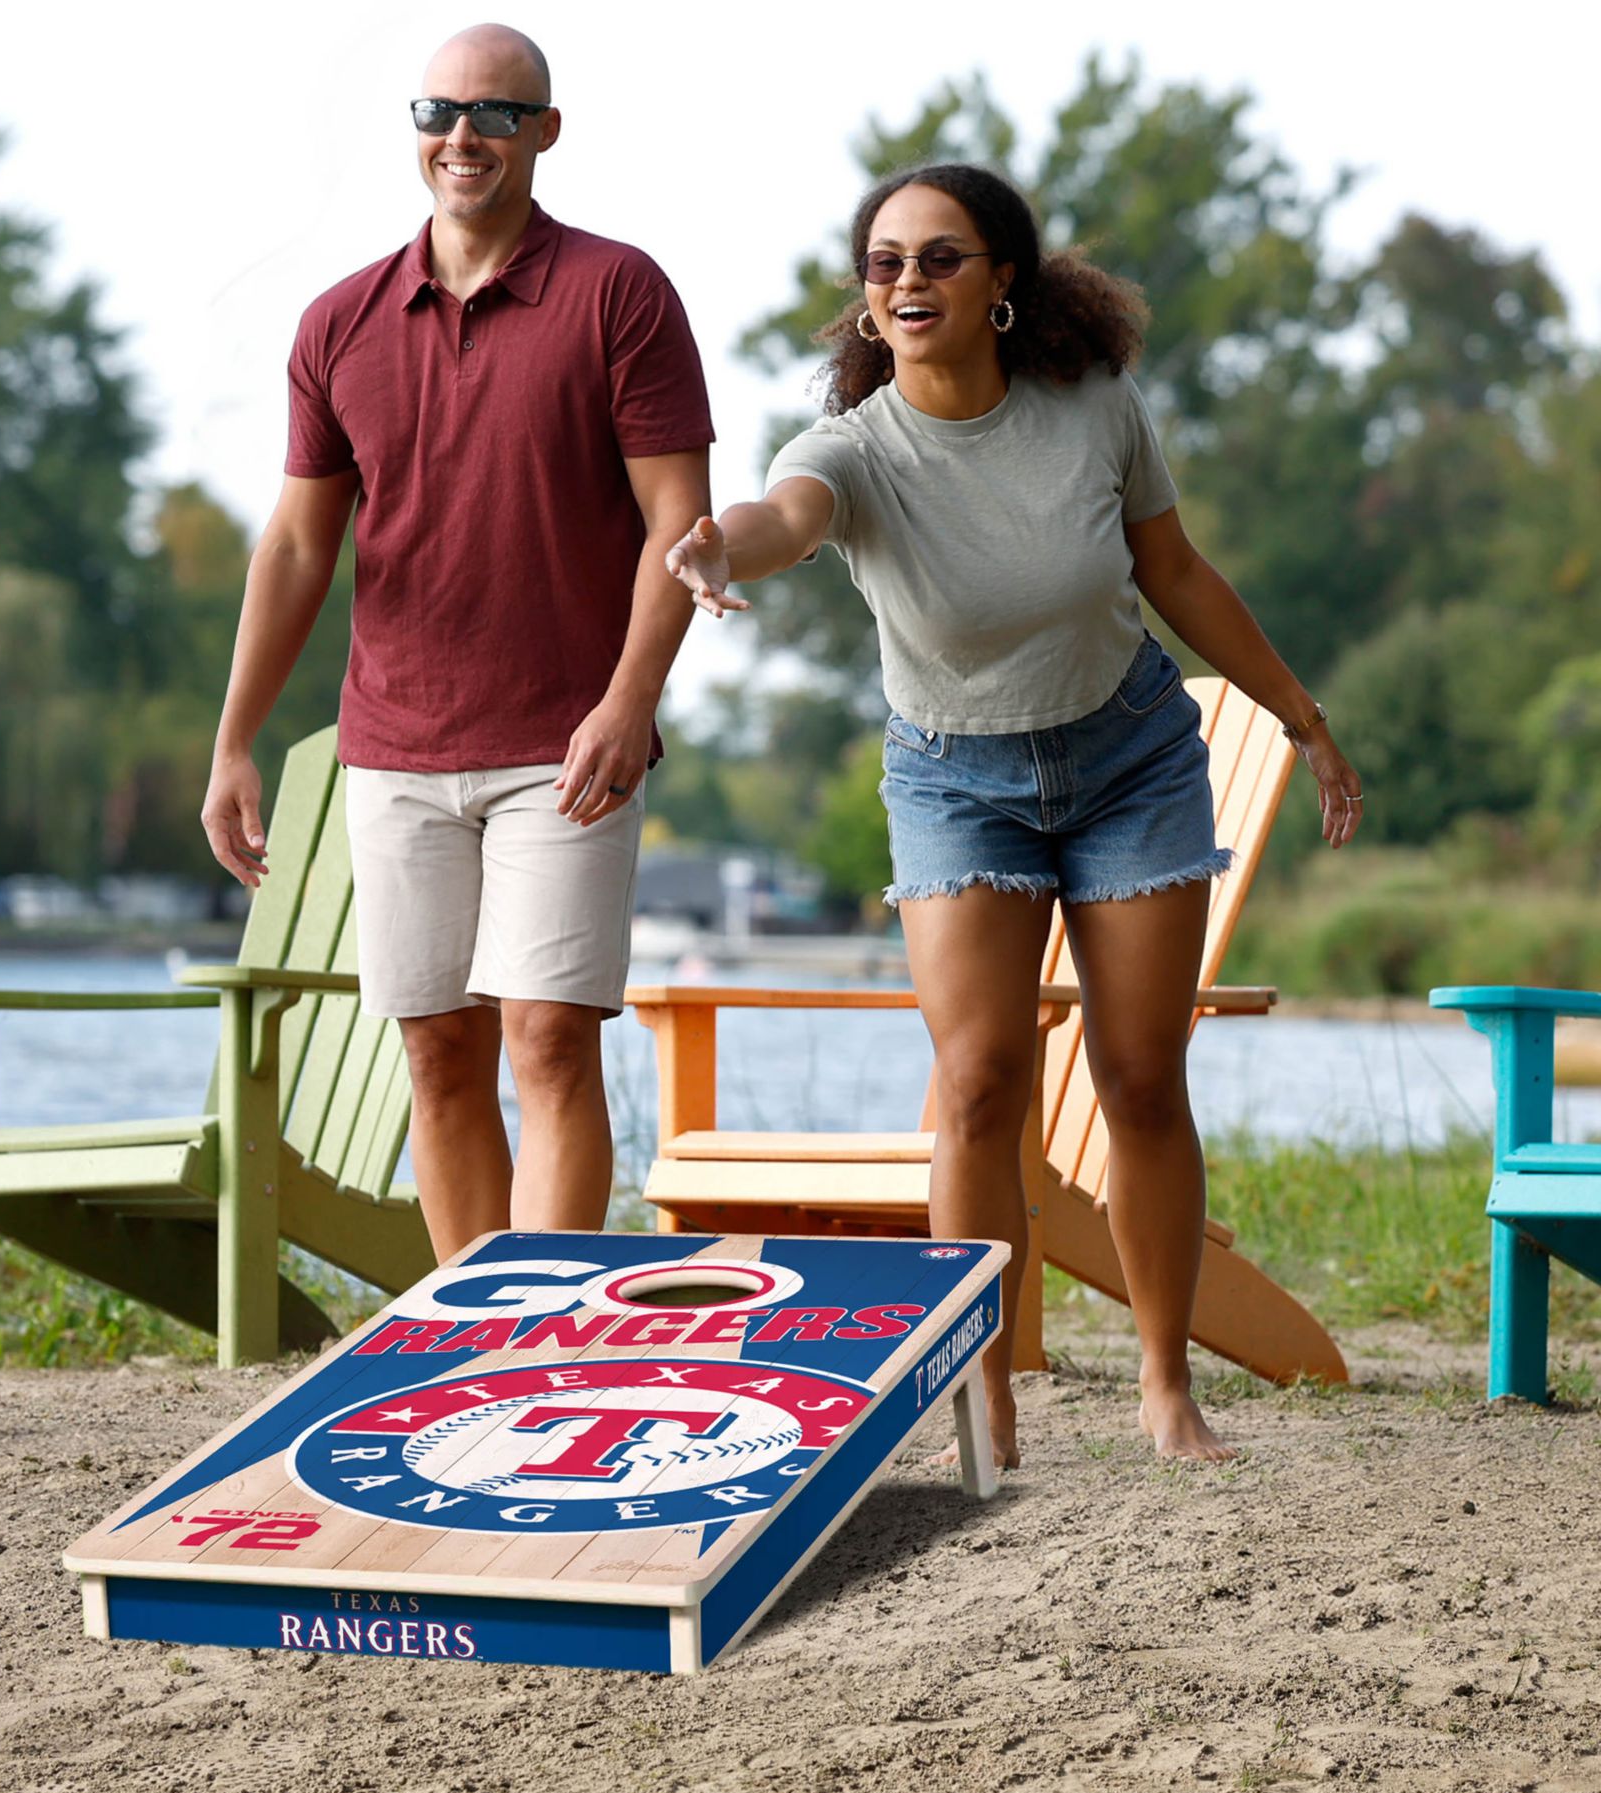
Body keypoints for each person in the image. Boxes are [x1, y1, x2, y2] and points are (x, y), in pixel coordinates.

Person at [667, 163, 1361, 1463]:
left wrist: (1298, 714)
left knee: (1141, 1076)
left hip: (1132, 760)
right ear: (865, 302)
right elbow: (781, 517)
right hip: (953, 780)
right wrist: (717, 548)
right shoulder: (851, 449)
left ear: (1002, 283)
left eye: (939, 257)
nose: (909, 282)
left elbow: (1176, 572)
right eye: (884, 264)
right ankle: (982, 1393)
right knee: (981, 1079)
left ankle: (1165, 1386)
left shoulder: (1093, 408)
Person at [201, 24, 712, 1263]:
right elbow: (293, 550)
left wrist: (628, 699)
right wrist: (232, 744)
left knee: (546, 1036)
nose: (462, 136)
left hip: (568, 744)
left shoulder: (616, 292)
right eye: (439, 112)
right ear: (416, 131)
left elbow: (678, 526)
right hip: (396, 743)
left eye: (494, 113)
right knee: (436, 1049)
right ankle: (468, 1344)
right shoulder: (339, 322)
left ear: (546, 130)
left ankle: (542, 1337)